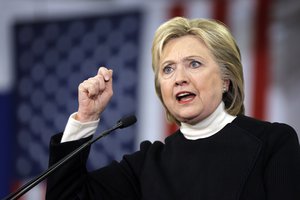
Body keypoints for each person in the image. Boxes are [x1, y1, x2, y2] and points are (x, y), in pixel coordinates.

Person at [46, 17, 300, 200]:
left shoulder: (272, 142)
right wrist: (86, 117)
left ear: (226, 79)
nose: (179, 77)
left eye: (194, 64)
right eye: (168, 69)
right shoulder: (146, 166)